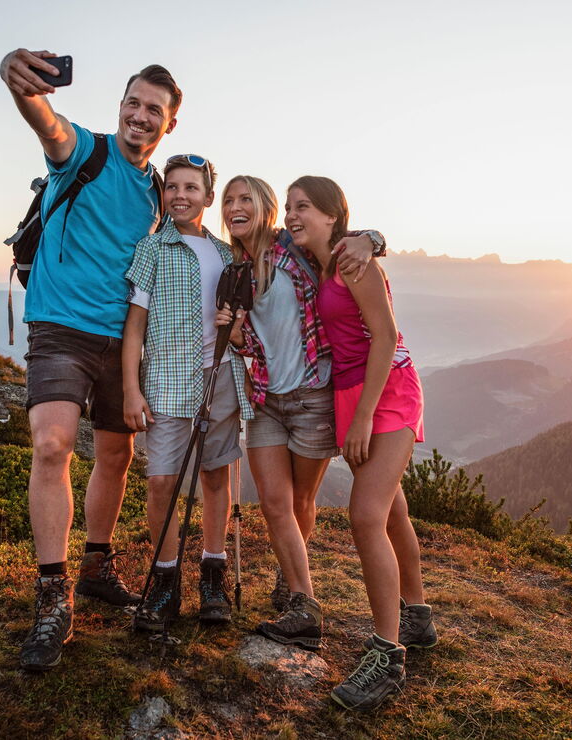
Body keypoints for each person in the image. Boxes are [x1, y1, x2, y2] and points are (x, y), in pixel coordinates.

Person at [0, 48, 180, 671]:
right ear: (120, 108)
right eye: (133, 103)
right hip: (60, 329)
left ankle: (97, 564)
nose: (139, 115)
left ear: (168, 125)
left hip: (124, 340)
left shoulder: (159, 191)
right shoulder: (86, 151)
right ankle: (54, 597)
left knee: (116, 454)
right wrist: (17, 80)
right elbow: (46, 123)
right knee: (51, 445)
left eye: (153, 110)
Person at [285, 175, 436, 712]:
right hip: (352, 392)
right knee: (392, 511)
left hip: (386, 391)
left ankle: (385, 657)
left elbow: (388, 335)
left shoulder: (353, 260)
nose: (291, 215)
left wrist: (364, 416)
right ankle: (416, 618)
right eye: (288, 207)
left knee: (365, 515)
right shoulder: (321, 259)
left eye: (302, 207)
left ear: (332, 215)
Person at [215, 176, 382, 650]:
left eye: (246, 198)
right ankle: (304, 605)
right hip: (268, 399)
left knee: (302, 502)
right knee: (274, 504)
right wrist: (234, 334)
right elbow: (246, 338)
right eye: (229, 200)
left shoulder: (295, 249)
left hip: (312, 395)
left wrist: (372, 240)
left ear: (266, 208)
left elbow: (346, 237)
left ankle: (291, 579)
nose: (235, 207)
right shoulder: (236, 266)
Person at [122, 155, 253, 632]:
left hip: (220, 378)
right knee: (163, 482)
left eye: (191, 187)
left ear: (207, 196)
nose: (180, 195)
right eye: (171, 187)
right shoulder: (152, 249)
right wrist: (131, 389)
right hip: (166, 383)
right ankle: (164, 581)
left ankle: (212, 575)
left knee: (216, 476)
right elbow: (133, 327)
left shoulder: (227, 254)